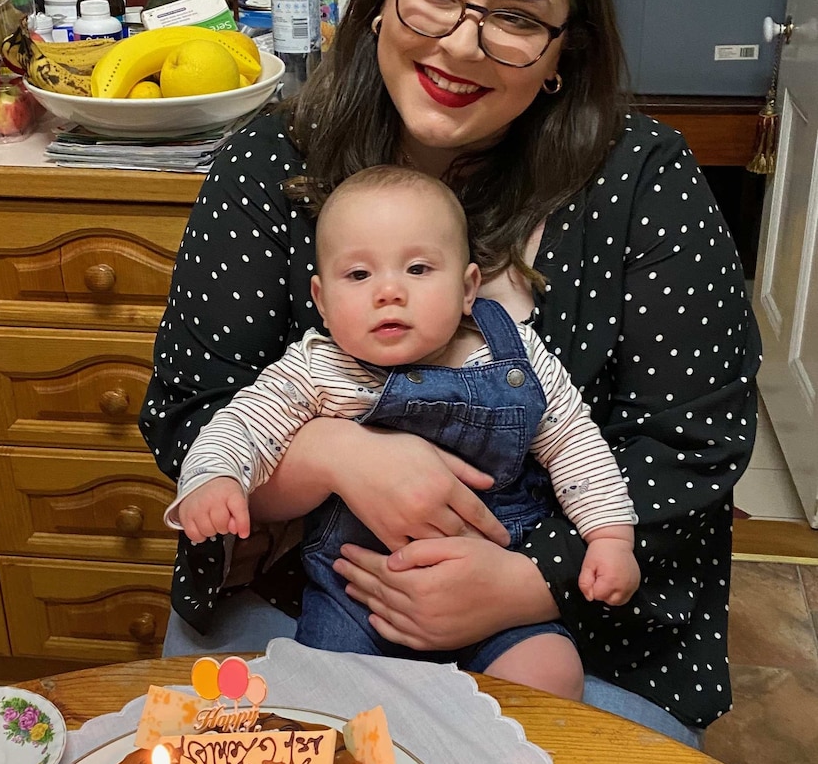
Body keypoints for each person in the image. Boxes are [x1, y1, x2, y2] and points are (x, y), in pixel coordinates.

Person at [141, 0, 761, 748]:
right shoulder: (268, 162)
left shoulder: (643, 182)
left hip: (572, 619)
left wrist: (524, 578)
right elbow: (188, 420)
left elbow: (691, 455)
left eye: (517, 19)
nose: (462, 43)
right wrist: (337, 456)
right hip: (300, 602)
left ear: (562, 55)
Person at [166, 166, 640, 699]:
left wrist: (610, 537)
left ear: (467, 289)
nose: (388, 291)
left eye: (417, 268)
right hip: (358, 599)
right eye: (359, 276)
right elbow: (240, 426)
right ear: (321, 302)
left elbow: (576, 445)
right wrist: (215, 477)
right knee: (320, 697)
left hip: (494, 593)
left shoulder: (515, 358)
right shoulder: (316, 371)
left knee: (552, 672)